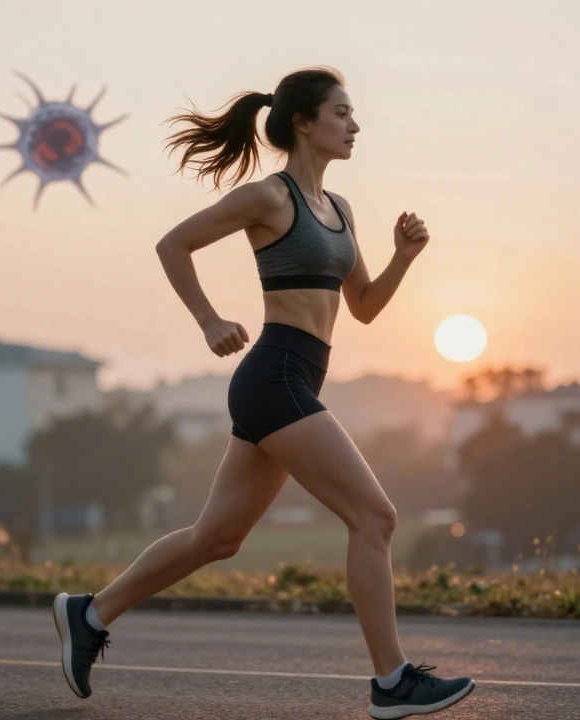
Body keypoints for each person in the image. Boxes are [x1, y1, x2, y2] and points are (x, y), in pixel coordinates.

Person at [51, 66, 474, 719]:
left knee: (216, 538)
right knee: (377, 517)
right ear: (304, 123)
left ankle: (90, 612)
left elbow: (362, 306)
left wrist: (403, 257)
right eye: (342, 113)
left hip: (298, 378)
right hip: (274, 375)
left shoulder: (340, 210)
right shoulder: (271, 199)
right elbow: (174, 243)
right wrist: (209, 320)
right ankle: (392, 682)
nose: (355, 125)